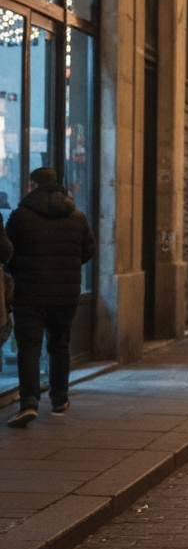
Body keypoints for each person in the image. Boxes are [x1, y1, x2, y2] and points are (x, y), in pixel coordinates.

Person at [5, 167, 95, 428]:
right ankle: (59, 399)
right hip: (65, 295)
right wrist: (68, 265)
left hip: (30, 295)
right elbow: (89, 249)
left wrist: (17, 269)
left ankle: (29, 402)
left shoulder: (21, 215)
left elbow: (8, 251)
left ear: (32, 185)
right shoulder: (77, 215)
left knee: (29, 349)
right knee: (60, 347)